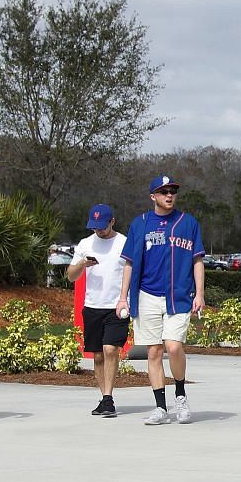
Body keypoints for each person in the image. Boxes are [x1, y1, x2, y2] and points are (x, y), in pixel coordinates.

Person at [119, 174, 205, 425]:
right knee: (154, 352)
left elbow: (197, 260)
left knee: (174, 346)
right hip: (147, 295)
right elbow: (129, 264)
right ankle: (160, 407)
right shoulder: (140, 224)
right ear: (153, 196)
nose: (169, 195)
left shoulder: (188, 223)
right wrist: (123, 298)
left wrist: (199, 293)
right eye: (164, 191)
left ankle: (180, 393)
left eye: (173, 191)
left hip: (178, 296)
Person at [70, 204, 129, 417]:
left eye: (102, 226)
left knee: (111, 349)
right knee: (97, 356)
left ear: (112, 221)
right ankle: (104, 397)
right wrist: (83, 264)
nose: (99, 230)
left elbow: (133, 271)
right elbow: (71, 275)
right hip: (92, 306)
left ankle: (109, 398)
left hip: (116, 306)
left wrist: (127, 299)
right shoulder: (86, 244)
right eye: (95, 227)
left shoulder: (124, 243)